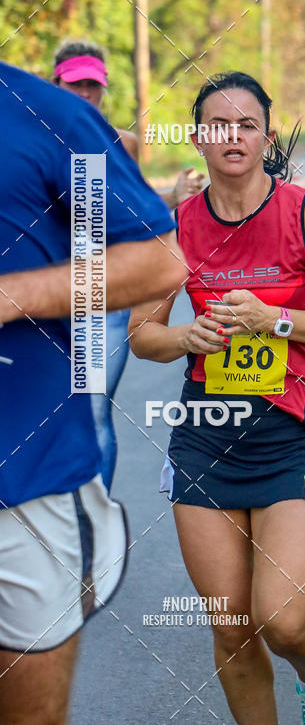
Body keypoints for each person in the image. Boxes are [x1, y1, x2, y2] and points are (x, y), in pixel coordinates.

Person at [129, 71, 305, 725]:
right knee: (233, 627)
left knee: (284, 620)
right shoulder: (176, 224)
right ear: (199, 137)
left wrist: (276, 320)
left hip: (289, 439)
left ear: (265, 134)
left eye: (246, 124)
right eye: (219, 124)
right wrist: (186, 334)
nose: (233, 136)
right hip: (204, 443)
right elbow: (142, 338)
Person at [0, 60, 187, 725]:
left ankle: (93, 504)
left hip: (26, 480)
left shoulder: (48, 116)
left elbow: (161, 260)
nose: (86, 92)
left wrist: (13, 296)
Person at [52, 38, 204, 491]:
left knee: (93, 408)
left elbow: (125, 207)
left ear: (103, 89)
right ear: (53, 82)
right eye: (73, 83)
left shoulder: (122, 143)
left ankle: (94, 529)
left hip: (102, 294)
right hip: (38, 297)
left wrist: (172, 198)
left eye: (91, 85)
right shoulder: (29, 136)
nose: (83, 94)